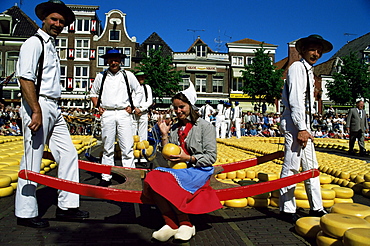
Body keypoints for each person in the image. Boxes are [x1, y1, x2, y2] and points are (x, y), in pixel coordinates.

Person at [15, 0, 89, 228]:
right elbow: (25, 78)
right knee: (32, 157)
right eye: (54, 20)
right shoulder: (34, 43)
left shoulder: (52, 46)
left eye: (62, 22)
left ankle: (67, 206)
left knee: (69, 154)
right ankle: (26, 213)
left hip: (54, 107)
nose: (58, 24)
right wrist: (35, 110)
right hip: (39, 104)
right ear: (44, 19)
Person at [141, 82, 221, 242]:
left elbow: (211, 157)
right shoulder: (176, 128)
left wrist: (189, 158)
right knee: (152, 177)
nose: (178, 111)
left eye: (182, 107)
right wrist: (164, 135)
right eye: (175, 108)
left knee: (167, 180)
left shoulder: (205, 127)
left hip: (198, 170)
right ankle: (170, 223)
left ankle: (186, 223)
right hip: (180, 170)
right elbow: (167, 155)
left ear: (190, 106)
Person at [279, 34, 333, 223]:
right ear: (303, 50)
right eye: (312, 49)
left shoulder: (309, 71)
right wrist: (301, 128)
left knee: (311, 166)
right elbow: (295, 101)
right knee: (292, 166)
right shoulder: (296, 68)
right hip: (295, 123)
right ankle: (286, 208)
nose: (316, 53)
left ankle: (317, 207)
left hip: (304, 123)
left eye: (319, 50)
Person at [90, 49, 143, 186]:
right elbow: (93, 93)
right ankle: (106, 176)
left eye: (116, 59)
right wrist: (98, 106)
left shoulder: (128, 75)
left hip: (123, 113)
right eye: (111, 59)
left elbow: (138, 91)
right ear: (107, 60)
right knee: (107, 147)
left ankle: (129, 174)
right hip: (107, 112)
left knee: (127, 146)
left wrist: (133, 105)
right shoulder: (101, 76)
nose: (114, 62)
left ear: (120, 60)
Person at [132, 71, 153, 142]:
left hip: (143, 113)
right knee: (132, 132)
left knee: (143, 134)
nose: (142, 78)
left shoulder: (147, 87)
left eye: (143, 77)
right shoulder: (130, 88)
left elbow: (149, 101)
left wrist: (141, 109)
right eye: (140, 77)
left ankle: (142, 149)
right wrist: (135, 109)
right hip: (133, 113)